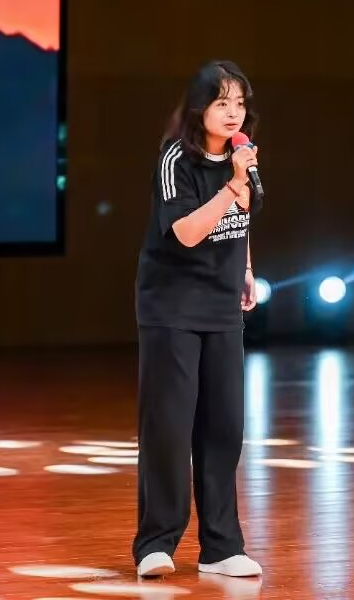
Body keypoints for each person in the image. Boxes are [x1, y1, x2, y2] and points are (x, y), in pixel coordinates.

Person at [132, 60, 264, 579]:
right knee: (169, 427)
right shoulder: (176, 160)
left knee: (225, 426)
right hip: (172, 307)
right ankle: (155, 543)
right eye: (222, 103)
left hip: (221, 306)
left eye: (239, 103)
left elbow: (242, 221)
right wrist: (231, 185)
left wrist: (247, 270)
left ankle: (221, 547)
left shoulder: (242, 157)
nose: (233, 114)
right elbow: (187, 232)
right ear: (199, 108)